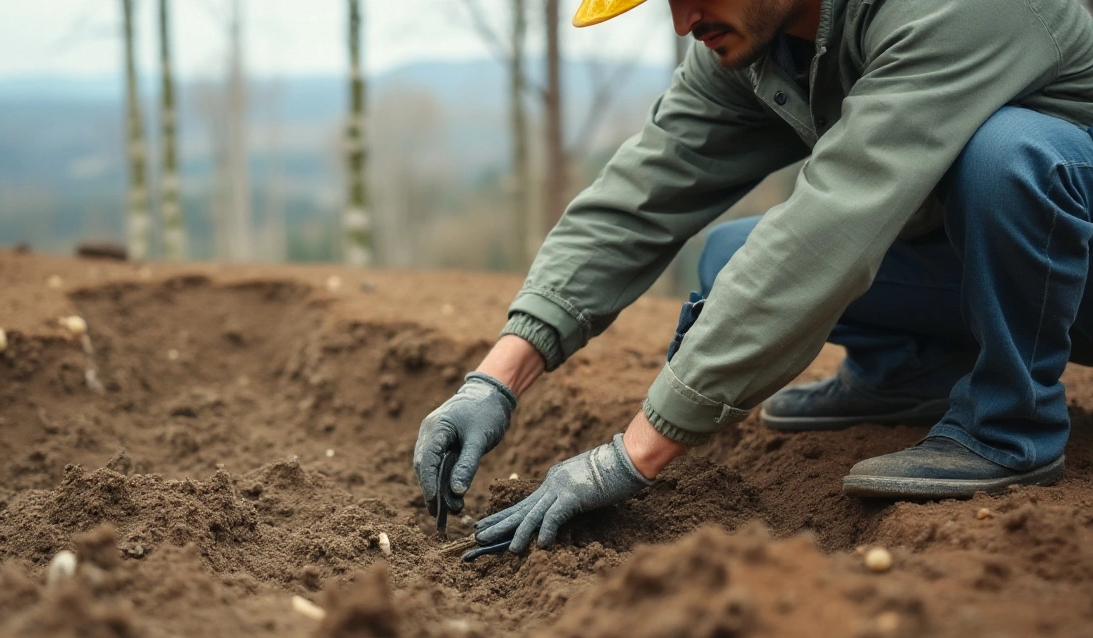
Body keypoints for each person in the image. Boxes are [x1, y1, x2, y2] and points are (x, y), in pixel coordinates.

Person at [413, 0, 1093, 554]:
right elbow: (642, 193)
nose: (683, 21)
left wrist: (628, 457)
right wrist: (496, 379)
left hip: (1072, 274)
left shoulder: (957, 8)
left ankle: (1010, 426)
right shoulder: (754, 41)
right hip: (1012, 267)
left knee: (1008, 155)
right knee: (731, 255)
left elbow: (832, 226)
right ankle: (912, 369)